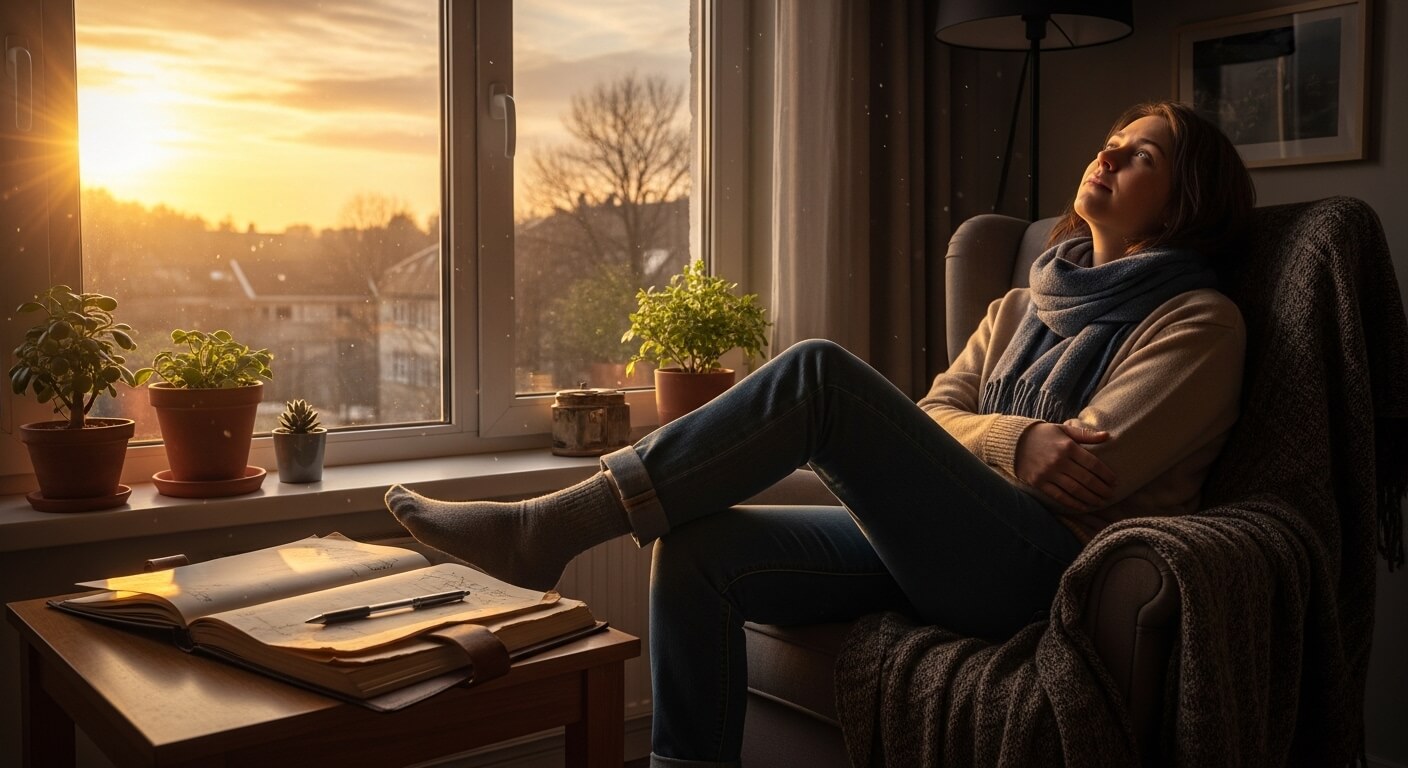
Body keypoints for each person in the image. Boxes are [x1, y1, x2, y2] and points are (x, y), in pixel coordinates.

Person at [385, 100, 1256, 768]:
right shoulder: (1020, 304)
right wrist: (1014, 442)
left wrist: (1003, 447)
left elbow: (1091, 465)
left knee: (818, 378)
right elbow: (933, 418)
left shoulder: (1197, 322)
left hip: (1047, 570)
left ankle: (548, 528)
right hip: (946, 542)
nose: (1108, 155)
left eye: (1141, 155)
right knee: (697, 549)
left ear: (1186, 203)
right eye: (1113, 140)